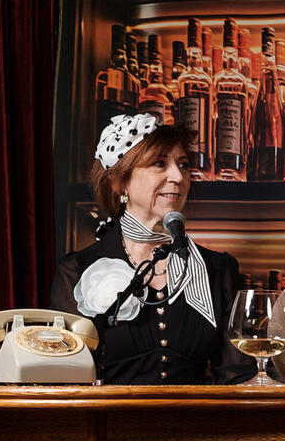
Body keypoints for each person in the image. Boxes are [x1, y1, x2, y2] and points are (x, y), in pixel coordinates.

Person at [50, 113, 251, 385]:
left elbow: (237, 380)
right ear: (119, 182)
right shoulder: (77, 271)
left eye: (183, 165)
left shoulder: (218, 270)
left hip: (199, 414)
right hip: (106, 414)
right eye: (159, 163)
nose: (178, 176)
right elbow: (66, 379)